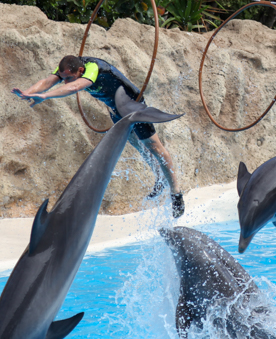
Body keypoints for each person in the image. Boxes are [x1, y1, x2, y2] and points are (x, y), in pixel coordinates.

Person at [12, 55, 184, 218]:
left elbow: (74, 87)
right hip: (116, 110)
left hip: (131, 105)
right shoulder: (67, 68)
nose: (64, 81)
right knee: (139, 147)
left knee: (154, 146)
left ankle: (176, 192)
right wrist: (28, 92)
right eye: (63, 77)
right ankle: (160, 178)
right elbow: (47, 81)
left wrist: (45, 96)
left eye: (69, 77)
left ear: (80, 70)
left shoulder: (94, 67)